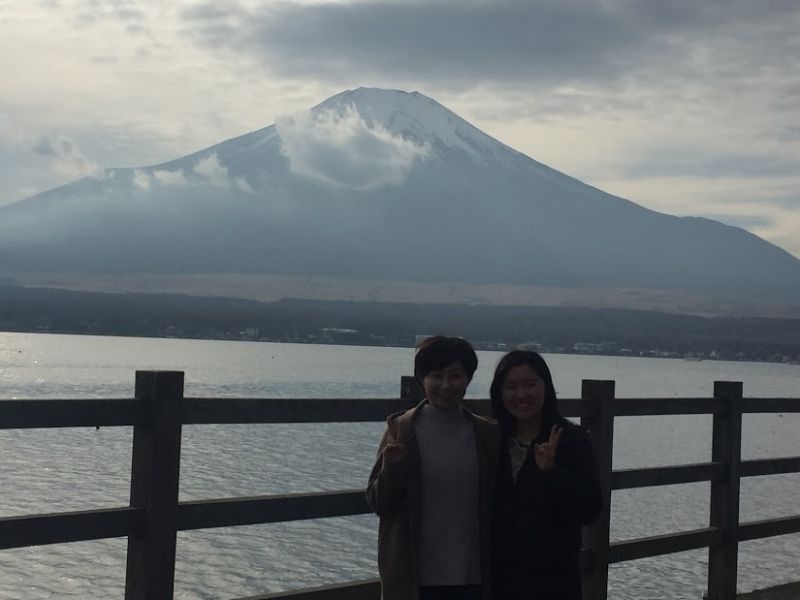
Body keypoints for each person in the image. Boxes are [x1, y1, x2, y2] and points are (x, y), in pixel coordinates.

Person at [366, 336, 500, 600]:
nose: (446, 385)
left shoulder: (487, 434)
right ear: (422, 379)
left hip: (473, 576)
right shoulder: (401, 430)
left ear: (468, 379)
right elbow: (380, 504)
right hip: (414, 578)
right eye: (436, 376)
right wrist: (392, 468)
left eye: (456, 376)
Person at [490, 350, 602, 600]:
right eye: (510, 387)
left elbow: (591, 508)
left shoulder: (570, 439)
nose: (521, 395)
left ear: (546, 387)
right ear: (499, 392)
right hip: (497, 580)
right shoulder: (491, 439)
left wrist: (552, 473)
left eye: (530, 385)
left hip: (553, 581)